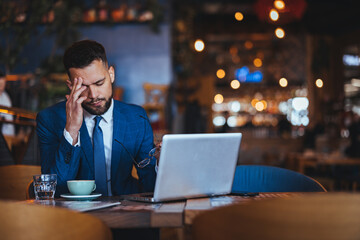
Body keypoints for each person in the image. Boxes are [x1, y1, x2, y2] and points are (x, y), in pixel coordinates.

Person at [36, 40, 157, 196]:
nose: (93, 95)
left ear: (111, 75)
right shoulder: (49, 119)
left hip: (126, 209)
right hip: (76, 215)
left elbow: (151, 185)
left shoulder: (136, 118)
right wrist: (71, 130)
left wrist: (161, 163)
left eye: (99, 83)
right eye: (83, 87)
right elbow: (56, 189)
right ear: (71, 86)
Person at [0, 71, 15, 136]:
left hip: (8, 134)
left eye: (3, 84)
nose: (1, 86)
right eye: (0, 84)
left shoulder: (6, 96)